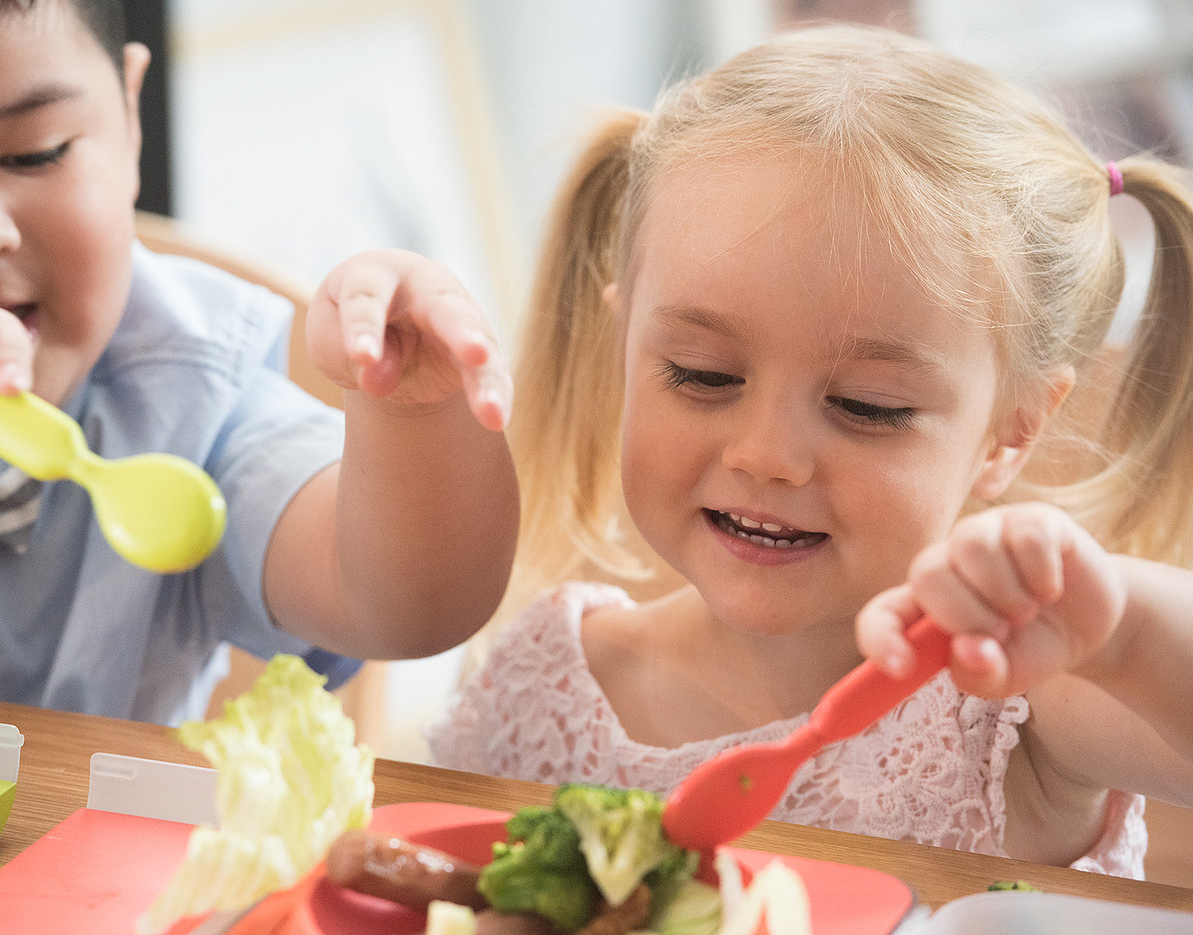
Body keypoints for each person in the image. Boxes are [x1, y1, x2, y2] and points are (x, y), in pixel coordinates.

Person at [427, 23, 1193, 877]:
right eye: (703, 375)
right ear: (624, 353)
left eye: (868, 406)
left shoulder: (1022, 699)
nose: (769, 456)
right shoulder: (544, 683)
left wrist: (1120, 631)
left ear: (1012, 429)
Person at [0, 0, 519, 726]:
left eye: (38, 151)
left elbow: (407, 604)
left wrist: (416, 411)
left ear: (131, 121)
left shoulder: (191, 391)